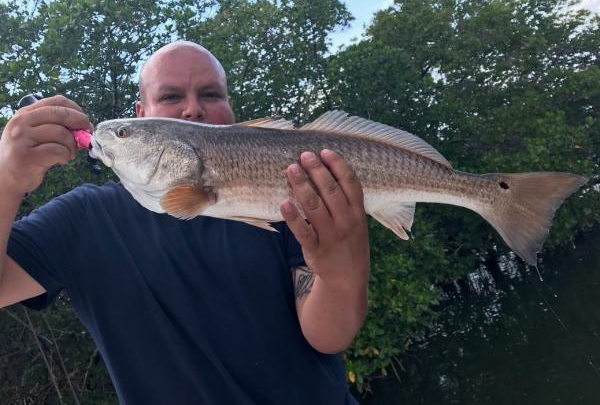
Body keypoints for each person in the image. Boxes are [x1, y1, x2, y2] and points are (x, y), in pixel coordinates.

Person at [0, 41, 370, 404]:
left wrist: (342, 274)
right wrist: (7, 179)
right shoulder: (82, 220)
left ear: (230, 107)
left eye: (210, 94)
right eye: (171, 96)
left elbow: (328, 336)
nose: (193, 109)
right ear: (141, 113)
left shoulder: (287, 195)